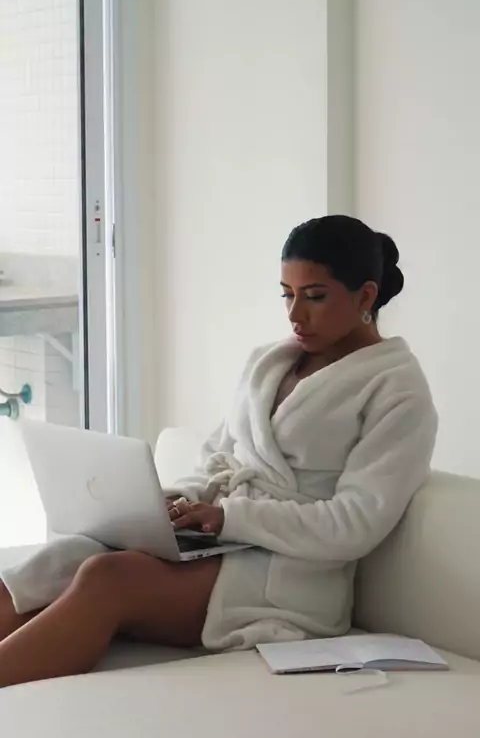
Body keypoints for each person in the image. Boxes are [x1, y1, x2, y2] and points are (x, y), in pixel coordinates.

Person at [0, 215, 437, 688]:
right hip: (220, 545)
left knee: (109, 577)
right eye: (287, 295)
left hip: (288, 578)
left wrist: (229, 517)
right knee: (59, 560)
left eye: (314, 296)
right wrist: (172, 505)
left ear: (365, 296)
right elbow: (218, 459)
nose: (295, 314)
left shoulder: (397, 388)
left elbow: (354, 525)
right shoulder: (269, 363)